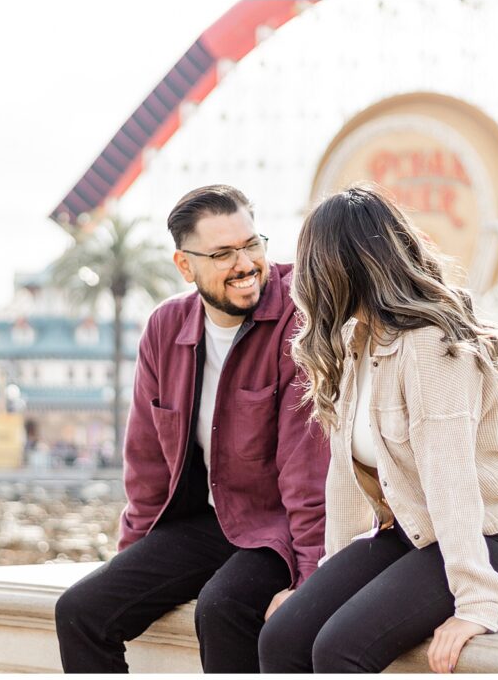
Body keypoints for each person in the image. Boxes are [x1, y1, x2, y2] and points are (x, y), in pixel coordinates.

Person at [258, 185, 498, 674]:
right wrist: (325, 584)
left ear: (341, 268)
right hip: (420, 535)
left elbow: (451, 479)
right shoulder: (356, 344)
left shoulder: (429, 345)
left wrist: (476, 605)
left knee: (339, 650)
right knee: (283, 637)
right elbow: (345, 483)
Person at [55, 184, 328, 673]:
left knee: (223, 609)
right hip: (202, 523)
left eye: (252, 245)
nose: (245, 264)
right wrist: (133, 562)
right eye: (223, 254)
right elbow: (146, 463)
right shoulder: (165, 328)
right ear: (185, 265)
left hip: (275, 527)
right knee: (80, 613)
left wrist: (309, 581)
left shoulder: (298, 315)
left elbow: (306, 469)